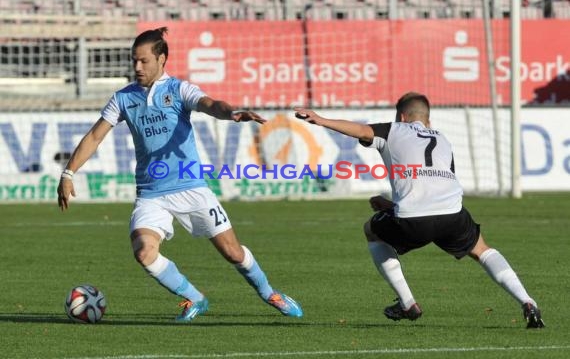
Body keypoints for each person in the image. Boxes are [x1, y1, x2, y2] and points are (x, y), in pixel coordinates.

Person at [57, 27, 303, 323]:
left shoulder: (178, 90)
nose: (137, 67)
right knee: (144, 252)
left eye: (144, 61)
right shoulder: (123, 98)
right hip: (151, 194)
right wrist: (68, 172)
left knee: (233, 253)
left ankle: (269, 293)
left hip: (192, 188)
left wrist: (232, 112)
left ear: (162, 59)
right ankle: (195, 298)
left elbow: (210, 104)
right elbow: (95, 137)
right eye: (134, 60)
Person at [294, 92, 544, 329]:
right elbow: (437, 187)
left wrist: (320, 119)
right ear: (428, 119)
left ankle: (407, 303)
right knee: (482, 249)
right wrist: (393, 205)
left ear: (402, 116)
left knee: (372, 230)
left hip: (414, 221)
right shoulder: (443, 139)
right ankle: (527, 301)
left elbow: (360, 130)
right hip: (452, 215)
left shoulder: (393, 130)